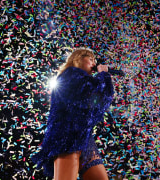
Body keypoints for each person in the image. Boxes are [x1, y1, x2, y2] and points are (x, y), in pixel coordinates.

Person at [31, 48, 114, 180]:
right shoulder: (70, 75)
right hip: (67, 135)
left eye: (94, 60)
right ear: (78, 59)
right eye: (90, 59)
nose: (94, 63)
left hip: (84, 138)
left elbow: (99, 102)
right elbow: (91, 94)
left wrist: (104, 77)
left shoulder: (82, 79)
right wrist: (103, 75)